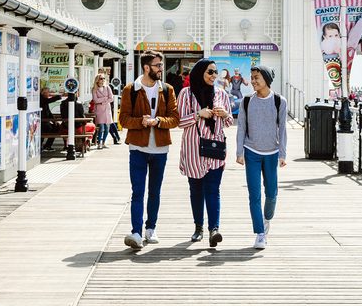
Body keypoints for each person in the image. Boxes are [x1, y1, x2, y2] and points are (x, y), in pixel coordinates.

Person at [118, 51, 178, 249]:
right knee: (138, 191)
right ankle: (136, 232)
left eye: (161, 65)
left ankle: (150, 228)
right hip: (137, 148)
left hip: (160, 149)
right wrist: (141, 122)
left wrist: (158, 121)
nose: (161, 68)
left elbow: (175, 119)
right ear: (146, 67)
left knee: (155, 192)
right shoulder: (131, 90)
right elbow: (123, 119)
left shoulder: (167, 90)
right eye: (157, 65)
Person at [178, 59, 234, 247]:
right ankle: (198, 228)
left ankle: (214, 230)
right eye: (210, 72)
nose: (213, 76)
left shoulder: (221, 94)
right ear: (200, 72)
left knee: (213, 190)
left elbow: (228, 123)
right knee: (196, 190)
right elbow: (180, 122)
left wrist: (225, 114)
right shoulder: (186, 94)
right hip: (193, 149)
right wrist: (198, 114)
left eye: (215, 72)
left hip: (215, 149)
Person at [236, 66, 288, 249]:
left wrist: (283, 153)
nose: (253, 81)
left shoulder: (279, 101)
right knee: (254, 195)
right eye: (252, 77)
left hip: (272, 153)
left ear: (266, 78)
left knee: (272, 193)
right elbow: (241, 126)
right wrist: (239, 152)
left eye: (256, 77)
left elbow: (282, 129)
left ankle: (267, 219)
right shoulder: (247, 101)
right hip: (251, 152)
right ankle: (259, 233)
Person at [91, 74, 117, 149]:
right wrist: (105, 98)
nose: (102, 80)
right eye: (101, 78)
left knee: (107, 128)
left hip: (107, 110)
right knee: (101, 127)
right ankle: (99, 143)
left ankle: (103, 143)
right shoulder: (94, 89)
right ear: (97, 80)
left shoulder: (107, 87)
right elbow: (95, 100)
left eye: (103, 78)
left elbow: (111, 98)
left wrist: (102, 101)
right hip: (99, 111)